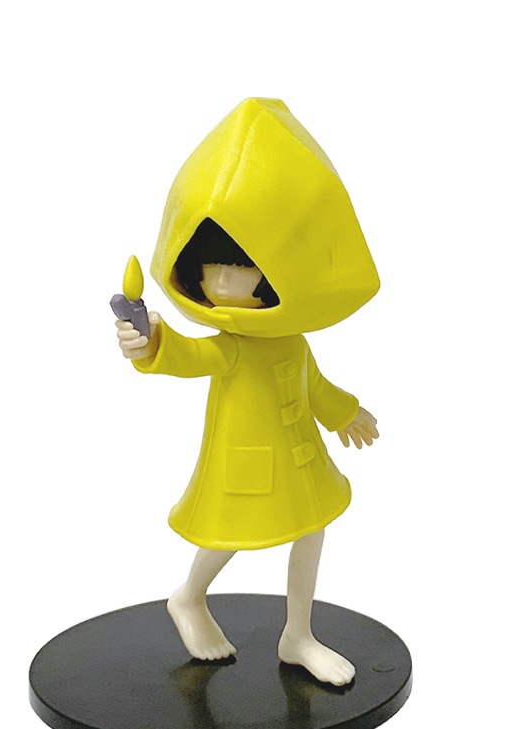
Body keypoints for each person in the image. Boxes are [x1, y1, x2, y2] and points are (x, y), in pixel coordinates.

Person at [115, 98, 380, 686]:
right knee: (226, 537)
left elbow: (313, 384)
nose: (225, 281)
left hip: (300, 461)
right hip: (246, 466)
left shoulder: (291, 339)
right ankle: (188, 597)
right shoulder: (232, 346)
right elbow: (187, 356)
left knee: (310, 531)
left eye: (241, 267)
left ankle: (298, 635)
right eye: (213, 268)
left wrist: (345, 413)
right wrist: (151, 343)